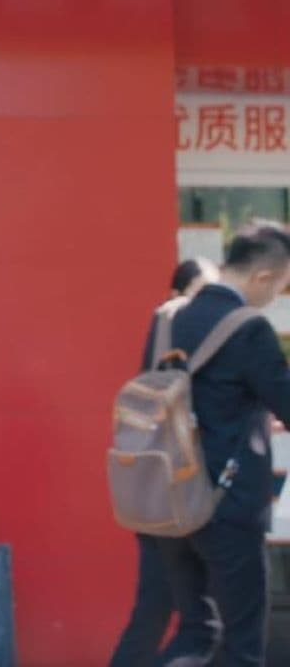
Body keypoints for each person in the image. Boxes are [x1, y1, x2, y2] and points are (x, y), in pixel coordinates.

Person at [153, 221, 290, 666]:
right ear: (264, 277)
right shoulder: (249, 328)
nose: (278, 296)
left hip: (170, 503)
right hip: (226, 507)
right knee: (243, 645)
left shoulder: (169, 319)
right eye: (282, 286)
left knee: (197, 634)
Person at [109, 257, 221, 667]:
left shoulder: (165, 334)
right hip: (180, 492)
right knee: (198, 622)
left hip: (155, 490)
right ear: (178, 294)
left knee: (156, 609)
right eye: (202, 291)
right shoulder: (176, 322)